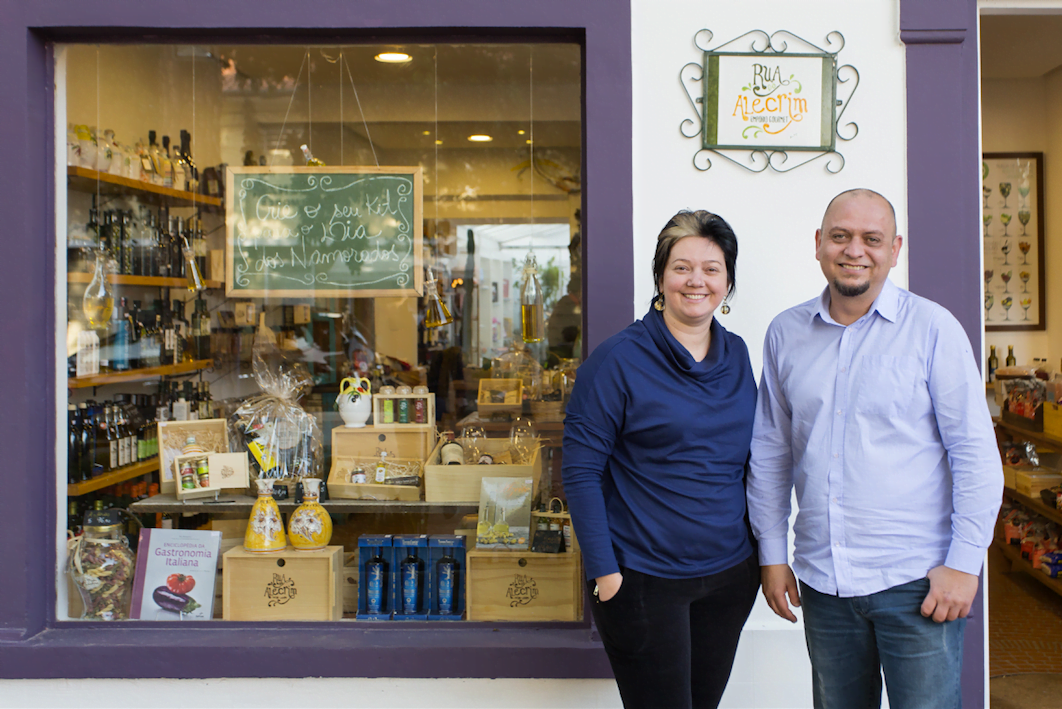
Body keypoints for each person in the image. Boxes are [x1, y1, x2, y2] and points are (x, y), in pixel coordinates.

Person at [747, 189, 1003, 709]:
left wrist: (965, 562)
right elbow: (771, 453)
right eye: (840, 236)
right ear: (819, 244)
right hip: (822, 582)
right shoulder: (785, 333)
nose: (854, 250)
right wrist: (772, 555)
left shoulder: (933, 329)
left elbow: (974, 454)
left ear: (895, 249)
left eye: (872, 239)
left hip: (918, 582)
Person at [563, 210, 760, 709]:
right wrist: (606, 574)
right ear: (660, 277)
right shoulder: (616, 361)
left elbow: (751, 459)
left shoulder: (737, 355)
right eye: (682, 267)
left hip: (729, 578)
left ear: (728, 281)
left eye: (712, 269)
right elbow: (581, 472)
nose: (697, 281)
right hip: (643, 582)